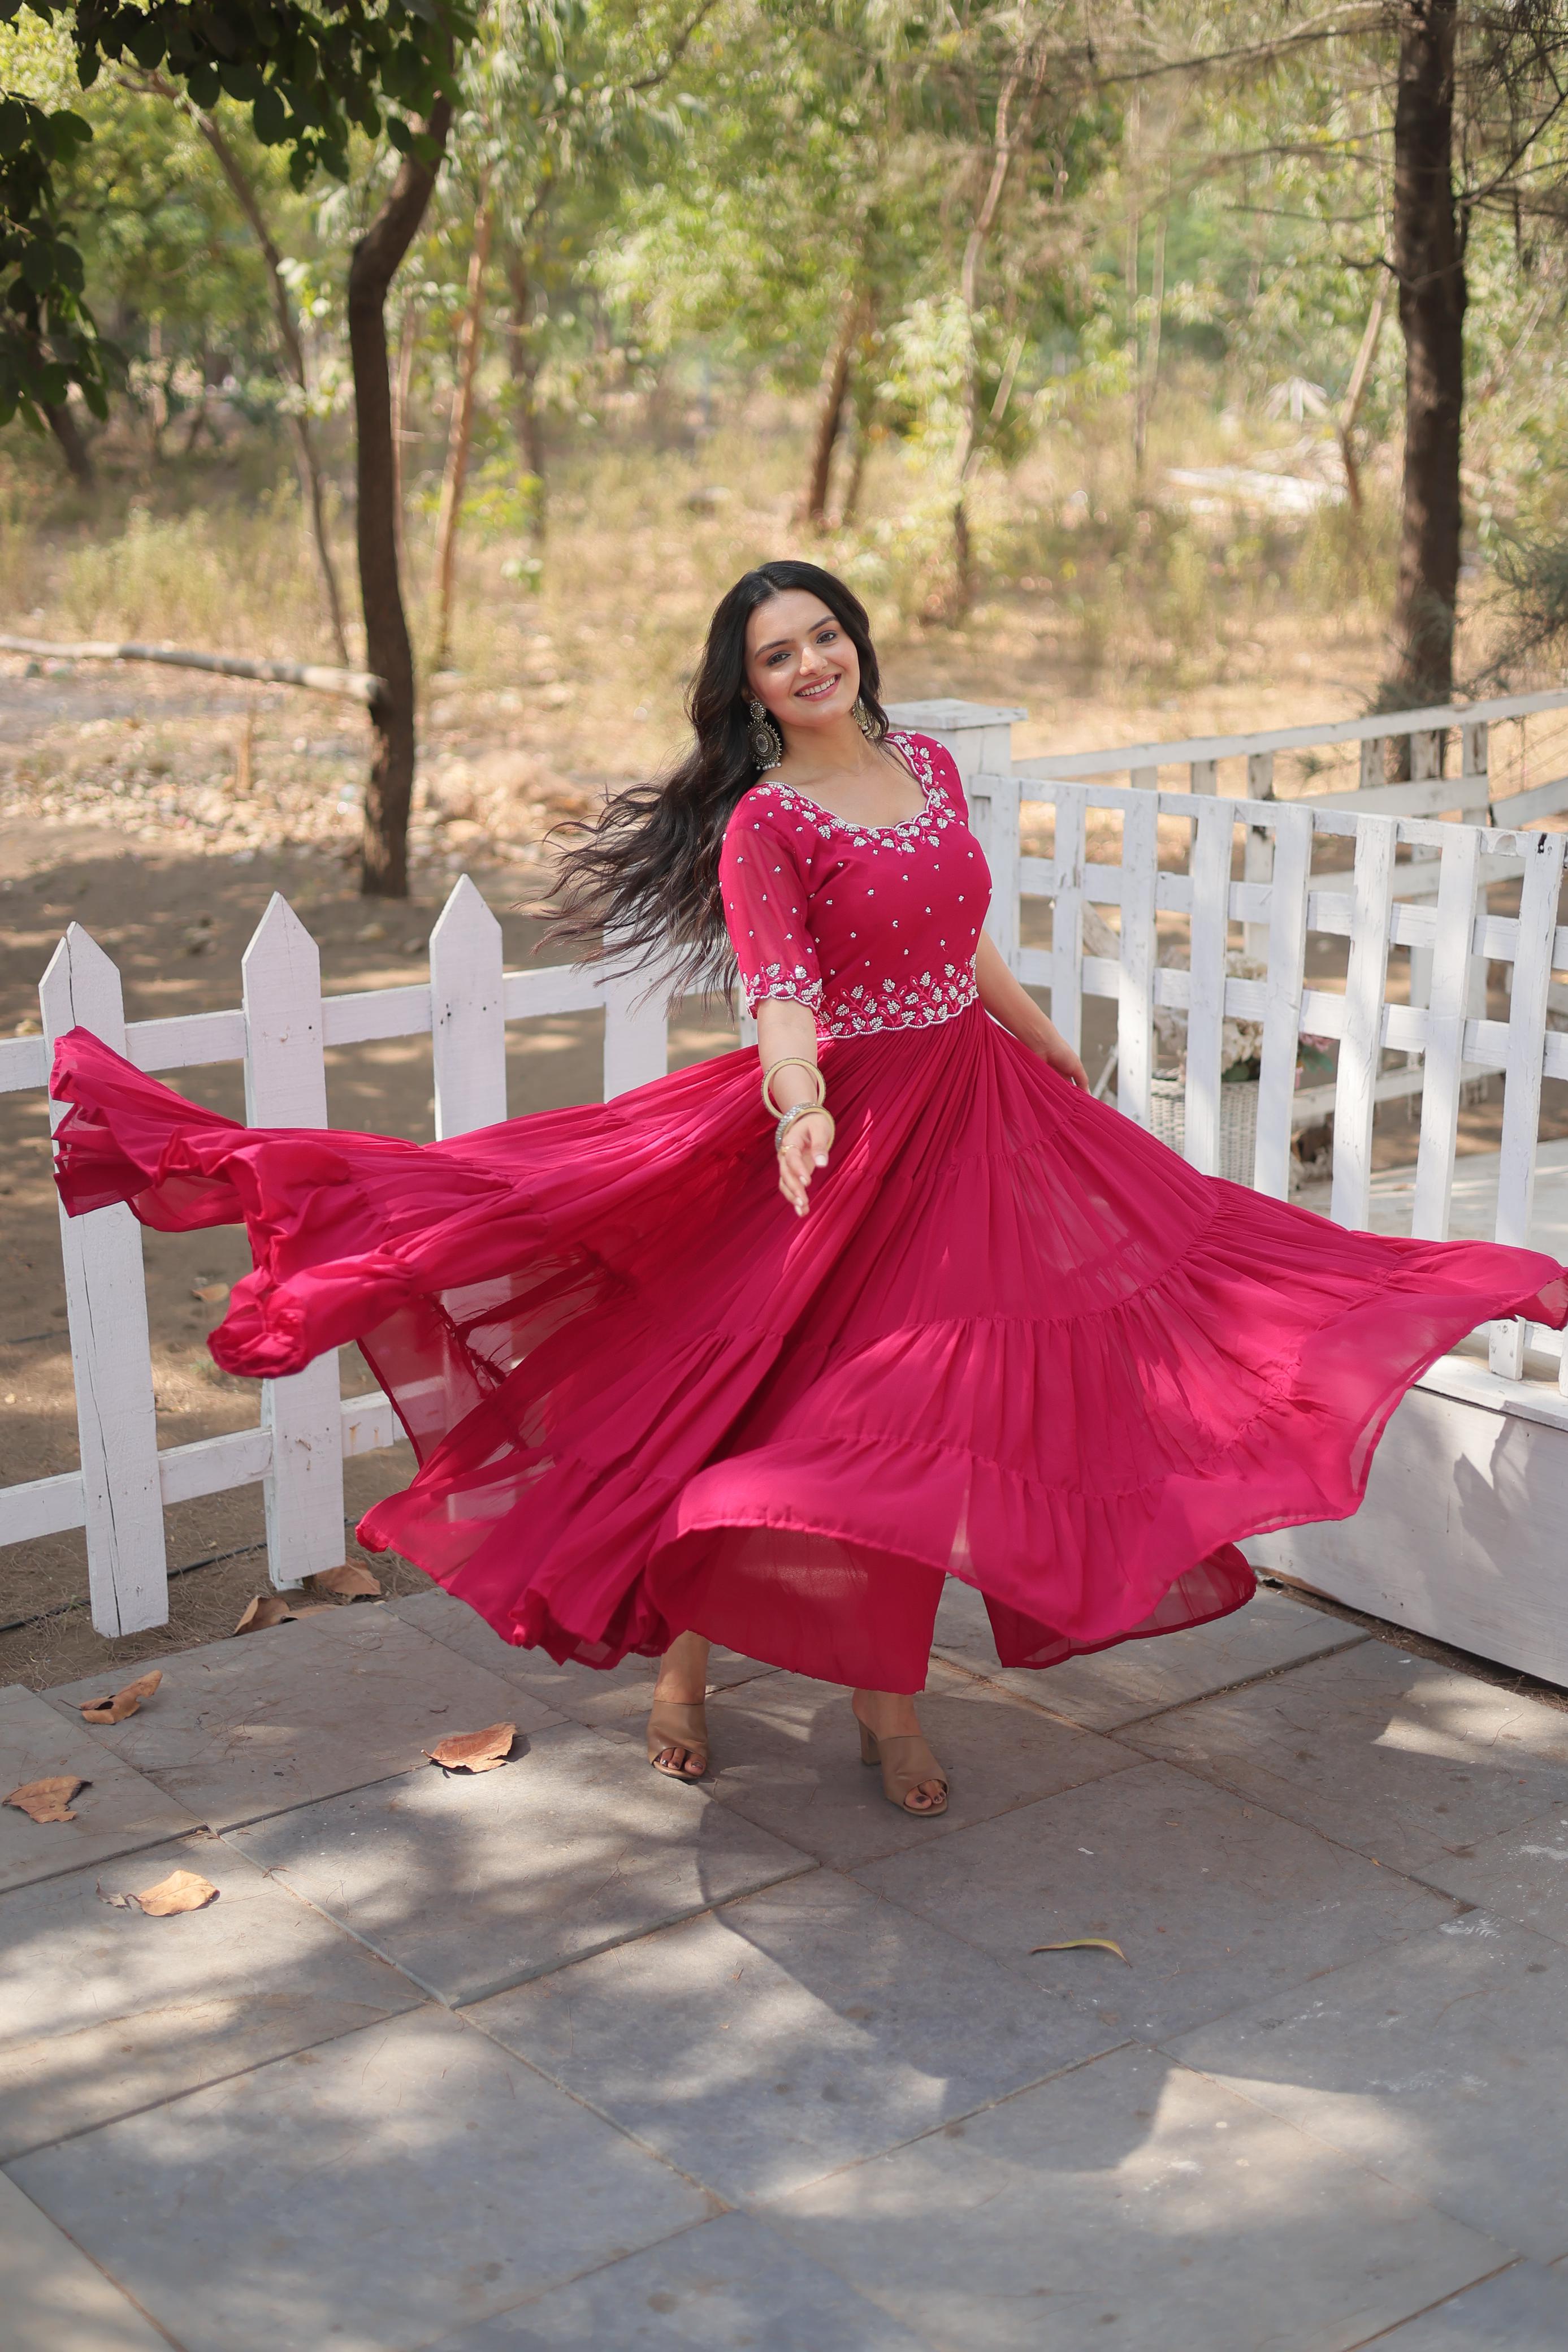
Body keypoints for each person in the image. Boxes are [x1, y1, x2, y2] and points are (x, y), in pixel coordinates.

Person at [49, 559, 1568, 1821]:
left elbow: (962, 933)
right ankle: (694, 1669)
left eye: (824, 635)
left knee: (938, 1414)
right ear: (752, 689)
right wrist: (793, 1107)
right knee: (788, 1412)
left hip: (978, 1113)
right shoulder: (769, 823)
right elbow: (783, 991)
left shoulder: (930, 767)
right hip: (845, 1133)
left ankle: (879, 1709)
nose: (812, 664)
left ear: (855, 643)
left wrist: (1045, 1044)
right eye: (779, 656)